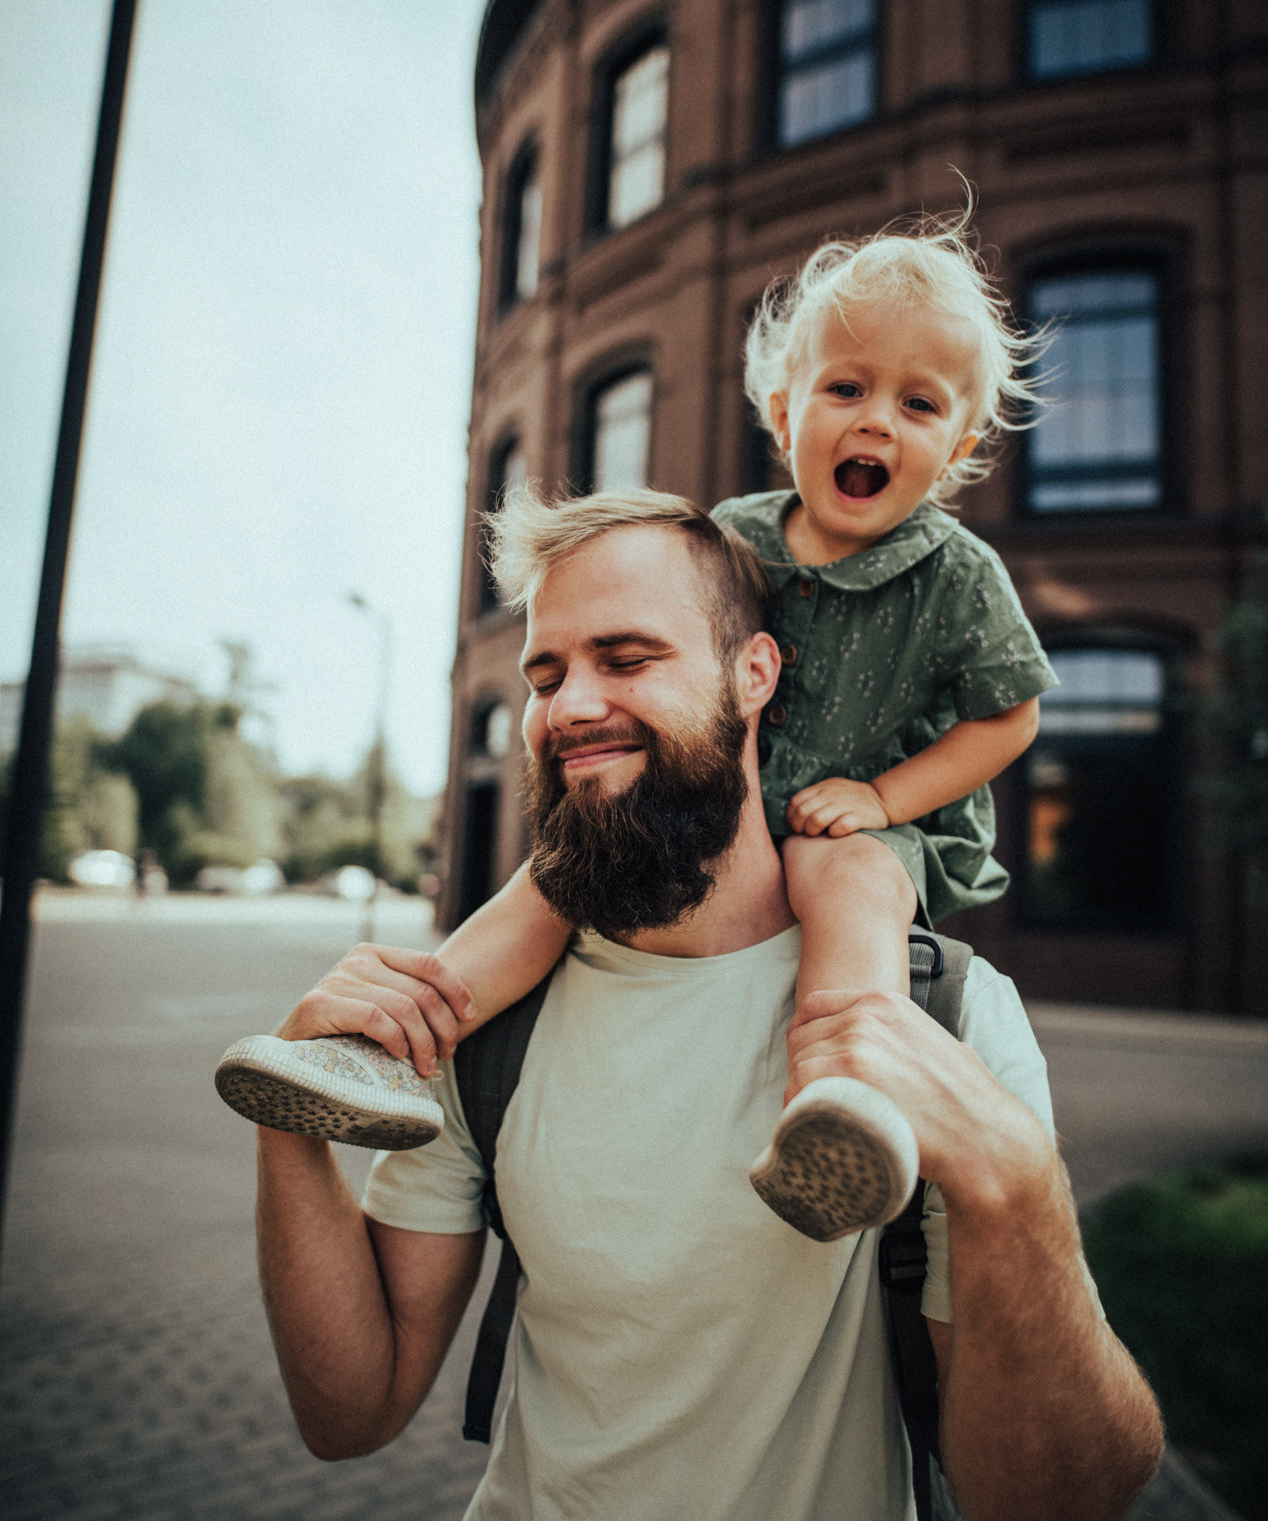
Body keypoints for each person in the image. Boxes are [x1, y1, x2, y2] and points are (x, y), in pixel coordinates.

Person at [255, 490, 1162, 1521]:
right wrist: (293, 1124)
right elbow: (348, 1408)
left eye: (627, 657)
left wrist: (1016, 1189)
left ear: (753, 674)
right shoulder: (485, 1028)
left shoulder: (940, 1017)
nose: (570, 705)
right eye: (544, 674)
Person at [224, 214, 1057, 1246]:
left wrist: (884, 799)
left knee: (850, 886)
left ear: (960, 448)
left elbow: (1008, 712)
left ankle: (843, 1103)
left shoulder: (958, 574)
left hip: (856, 817)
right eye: (846, 389)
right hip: (718, 798)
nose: (877, 422)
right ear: (784, 410)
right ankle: (387, 1051)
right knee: (547, 885)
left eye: (918, 404)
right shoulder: (732, 537)